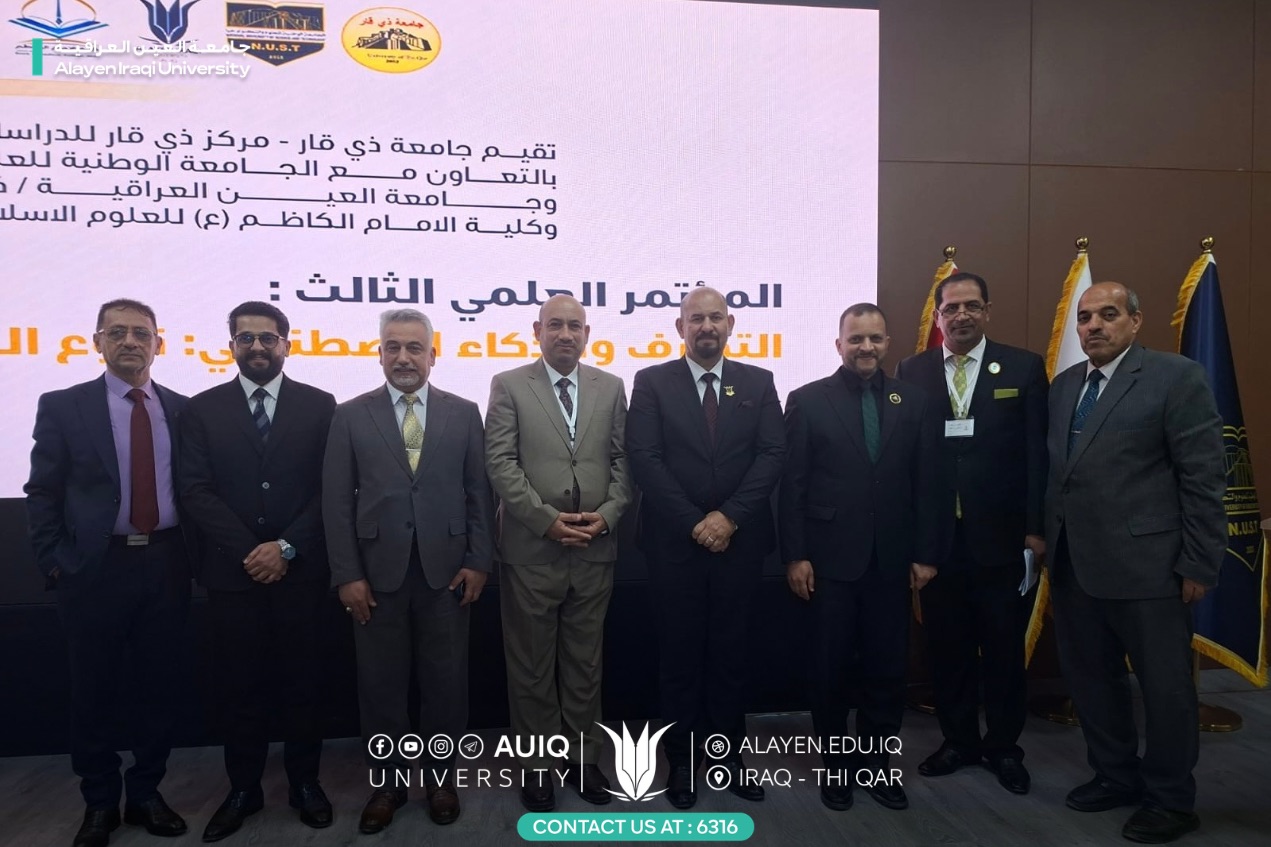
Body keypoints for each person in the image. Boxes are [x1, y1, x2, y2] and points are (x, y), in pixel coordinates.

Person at [1046, 282, 1225, 844]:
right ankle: (1115, 776)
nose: (1094, 326)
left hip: (1151, 569)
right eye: (1085, 317)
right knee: (1092, 681)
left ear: (1135, 321)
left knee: (1165, 690)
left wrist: (1199, 562)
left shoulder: (1176, 377)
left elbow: (1203, 476)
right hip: (1075, 566)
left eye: (1108, 314)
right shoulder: (1065, 385)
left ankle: (1171, 800)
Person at [25, 299, 192, 847]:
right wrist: (56, 561)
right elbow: (42, 491)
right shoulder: (64, 406)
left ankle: (146, 792)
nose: (129, 342)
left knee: (159, 688)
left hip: (166, 564)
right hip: (95, 570)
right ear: (97, 342)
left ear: (159, 343)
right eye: (116, 332)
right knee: (93, 691)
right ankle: (99, 801)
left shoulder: (183, 409)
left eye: (141, 333)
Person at [322, 308, 493, 833]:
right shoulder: (350, 415)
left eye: (414, 347)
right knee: (381, 688)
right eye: (393, 347)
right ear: (379, 354)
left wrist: (478, 560)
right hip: (375, 577)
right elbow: (336, 502)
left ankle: (441, 781)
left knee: (446, 685)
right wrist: (347, 574)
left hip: (448, 574)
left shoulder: (464, 413)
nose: (403, 357)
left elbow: (479, 494)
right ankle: (388, 785)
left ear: (432, 355)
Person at [179, 302, 336, 841]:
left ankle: (305, 783)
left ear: (287, 345)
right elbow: (195, 490)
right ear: (231, 347)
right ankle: (243, 789)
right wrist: (254, 551)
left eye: (268, 338)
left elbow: (331, 489)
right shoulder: (201, 410)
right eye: (245, 338)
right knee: (239, 688)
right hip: (233, 576)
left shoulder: (320, 406)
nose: (257, 347)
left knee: (303, 684)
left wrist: (286, 547)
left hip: (301, 574)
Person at [779, 303, 942, 813]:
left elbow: (928, 483)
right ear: (839, 345)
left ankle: (876, 763)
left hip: (892, 561)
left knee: (887, 669)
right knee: (828, 669)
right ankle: (835, 764)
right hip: (828, 561)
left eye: (874, 338)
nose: (865, 347)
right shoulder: (807, 400)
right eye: (855, 339)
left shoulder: (913, 401)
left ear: (888, 342)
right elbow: (792, 486)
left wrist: (926, 553)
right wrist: (795, 555)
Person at [626, 286, 785, 809]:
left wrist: (728, 517)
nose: (707, 327)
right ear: (680, 328)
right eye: (696, 319)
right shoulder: (651, 382)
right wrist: (696, 522)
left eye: (716, 317)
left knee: (731, 654)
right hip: (675, 545)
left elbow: (771, 454)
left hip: (740, 544)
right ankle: (681, 763)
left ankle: (728, 757)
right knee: (679, 657)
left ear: (731, 324)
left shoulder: (758, 382)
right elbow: (645, 458)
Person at [895, 273, 1047, 795]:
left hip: (1002, 540)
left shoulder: (1023, 367)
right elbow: (907, 460)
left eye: (972, 306)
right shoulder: (912, 371)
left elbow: (1037, 455)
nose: (961, 315)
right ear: (938, 315)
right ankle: (958, 740)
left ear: (987, 311)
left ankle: (1004, 747)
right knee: (948, 649)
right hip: (938, 543)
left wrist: (1034, 531)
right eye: (952, 307)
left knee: (1003, 651)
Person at [485, 294, 633, 811]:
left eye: (574, 326)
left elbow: (623, 460)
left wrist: (608, 514)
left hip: (594, 547)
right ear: (537, 331)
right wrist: (545, 520)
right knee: (529, 665)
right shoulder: (509, 384)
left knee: (585, 663)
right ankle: (537, 765)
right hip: (531, 549)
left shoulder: (611, 387)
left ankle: (583, 759)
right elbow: (500, 462)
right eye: (555, 325)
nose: (565, 334)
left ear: (587, 334)